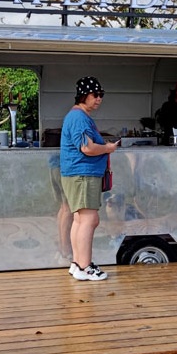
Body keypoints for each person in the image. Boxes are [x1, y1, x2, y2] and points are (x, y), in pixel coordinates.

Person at [59, 76, 119, 281]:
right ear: (84, 95)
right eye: (95, 95)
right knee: (89, 220)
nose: (99, 99)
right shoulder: (79, 118)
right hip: (82, 174)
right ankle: (85, 266)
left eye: (101, 95)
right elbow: (87, 147)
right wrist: (108, 148)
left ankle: (77, 263)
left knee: (80, 219)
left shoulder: (79, 116)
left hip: (79, 175)